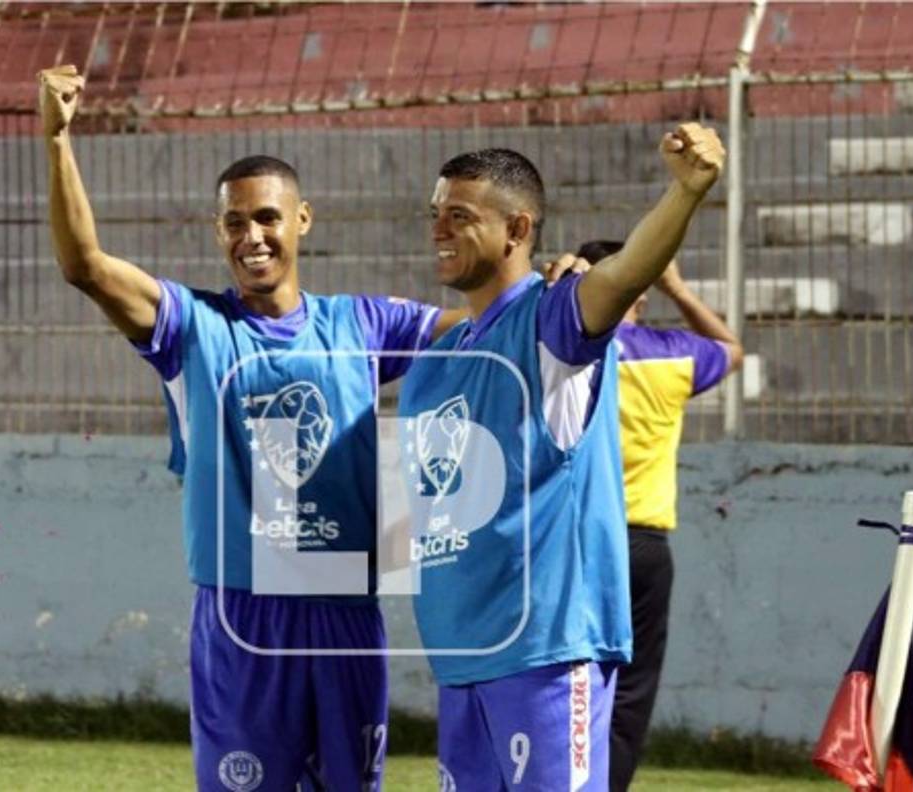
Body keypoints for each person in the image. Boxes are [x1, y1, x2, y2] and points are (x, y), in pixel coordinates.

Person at [38, 64, 465, 791]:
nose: (252, 236)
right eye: (235, 222)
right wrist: (56, 138)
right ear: (219, 231)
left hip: (344, 601)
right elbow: (84, 266)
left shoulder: (363, 323)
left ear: (302, 219)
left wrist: (558, 289)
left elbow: (483, 329)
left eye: (267, 217)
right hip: (242, 609)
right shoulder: (193, 326)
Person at [398, 124, 725, 791]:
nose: (439, 230)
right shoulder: (439, 359)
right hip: (463, 656)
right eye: (435, 214)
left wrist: (686, 191)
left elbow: (626, 271)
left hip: (545, 652)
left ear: (517, 229)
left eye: (459, 216)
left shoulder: (550, 325)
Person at [571, 242, 743, 792]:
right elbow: (732, 349)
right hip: (644, 546)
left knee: (568, 677)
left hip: (574, 542)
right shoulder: (672, 356)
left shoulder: (566, 349)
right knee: (631, 690)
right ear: (641, 288)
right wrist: (680, 289)